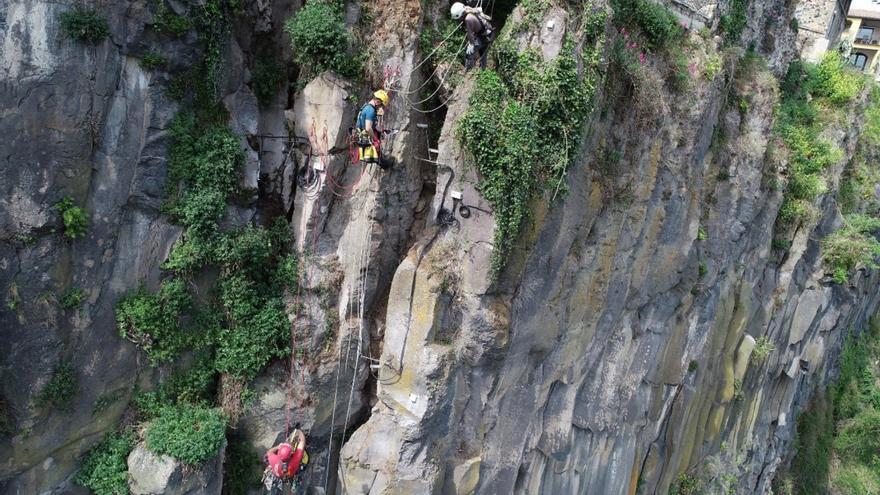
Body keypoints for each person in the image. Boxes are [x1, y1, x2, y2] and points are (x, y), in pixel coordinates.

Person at [450, 2, 494, 71]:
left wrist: (471, 44)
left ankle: (468, 69)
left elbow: (470, 34)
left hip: (485, 37)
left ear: (460, 15)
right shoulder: (467, 9)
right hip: (487, 33)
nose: (458, 20)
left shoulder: (468, 19)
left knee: (469, 53)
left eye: (458, 18)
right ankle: (483, 69)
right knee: (483, 52)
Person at [263, 428, 307, 494]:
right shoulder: (295, 461)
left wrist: (278, 447)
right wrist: (299, 431)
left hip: (279, 474)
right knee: (303, 462)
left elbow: (268, 452)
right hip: (291, 474)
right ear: (291, 454)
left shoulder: (274, 459)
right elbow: (302, 441)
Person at [355, 89, 391, 170]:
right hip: (366, 135)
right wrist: (375, 139)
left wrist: (381, 130)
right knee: (375, 152)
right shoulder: (370, 110)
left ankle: (382, 161)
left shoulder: (366, 106)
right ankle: (386, 166)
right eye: (381, 105)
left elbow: (369, 124)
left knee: (376, 152)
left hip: (362, 133)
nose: (380, 107)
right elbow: (368, 128)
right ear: (378, 102)